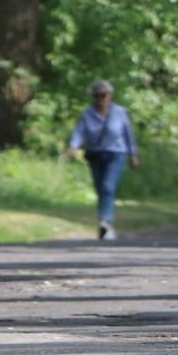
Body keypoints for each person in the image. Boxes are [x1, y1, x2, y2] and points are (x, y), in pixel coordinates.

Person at [66, 80, 139, 241]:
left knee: (108, 186)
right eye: (96, 96)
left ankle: (106, 222)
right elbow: (79, 131)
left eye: (103, 95)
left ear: (110, 95)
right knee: (101, 189)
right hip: (95, 154)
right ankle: (104, 222)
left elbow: (128, 134)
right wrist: (73, 146)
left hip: (116, 153)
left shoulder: (119, 112)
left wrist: (133, 154)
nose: (100, 99)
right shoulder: (87, 113)